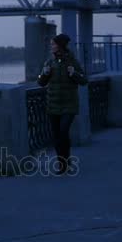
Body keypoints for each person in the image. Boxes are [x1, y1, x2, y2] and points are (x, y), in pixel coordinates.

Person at [37, 33, 88, 175]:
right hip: (53, 105)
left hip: (69, 105)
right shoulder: (49, 62)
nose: (51, 46)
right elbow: (40, 82)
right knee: (56, 136)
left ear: (60, 46)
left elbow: (84, 80)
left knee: (63, 132)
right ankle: (62, 164)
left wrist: (74, 74)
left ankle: (66, 161)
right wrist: (44, 74)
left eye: (53, 44)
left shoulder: (72, 62)